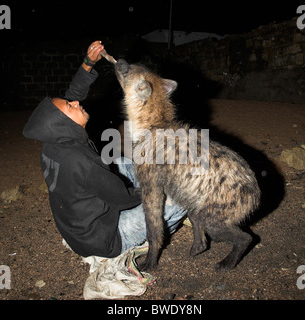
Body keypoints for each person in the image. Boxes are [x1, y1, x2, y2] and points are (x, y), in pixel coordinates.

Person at [23, 41, 187, 258]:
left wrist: (87, 64)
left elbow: (73, 96)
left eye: (69, 102)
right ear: (62, 123)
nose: (75, 103)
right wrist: (154, 189)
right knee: (179, 197)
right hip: (107, 239)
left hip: (79, 229)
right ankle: (152, 237)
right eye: (69, 106)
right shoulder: (79, 161)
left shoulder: (54, 143)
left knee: (120, 163)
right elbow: (122, 198)